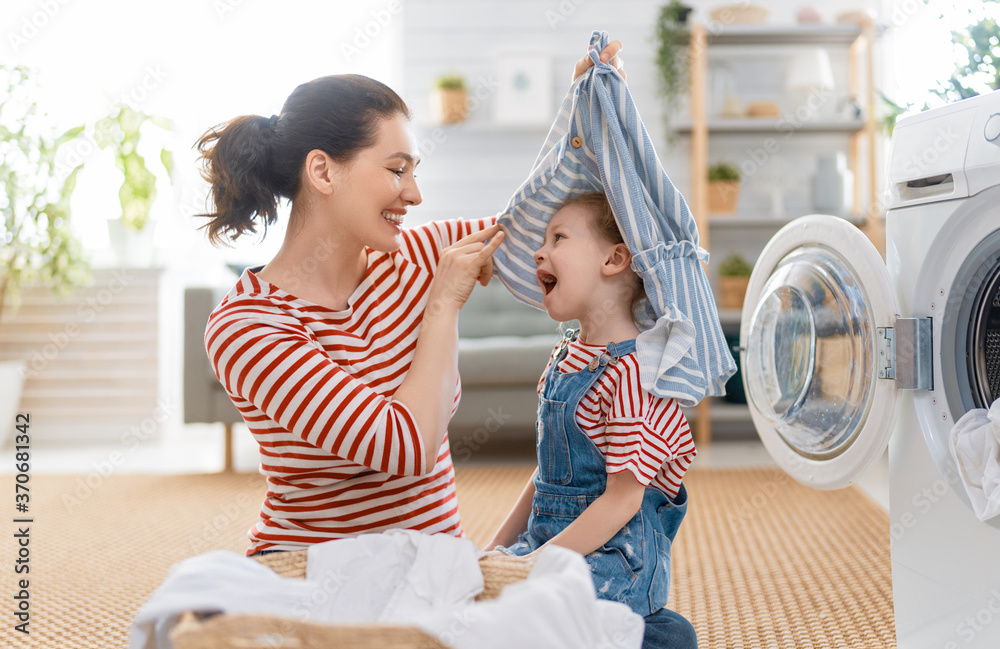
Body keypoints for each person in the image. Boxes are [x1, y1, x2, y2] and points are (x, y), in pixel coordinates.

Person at [195, 42, 624, 556]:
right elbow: (408, 446)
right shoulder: (247, 326)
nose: (414, 194)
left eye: (414, 171)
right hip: (315, 578)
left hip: (436, 570)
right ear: (324, 172)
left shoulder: (422, 252)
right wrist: (442, 303)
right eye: (397, 170)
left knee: (659, 635)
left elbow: (566, 223)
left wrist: (594, 108)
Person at [487, 192, 699, 649]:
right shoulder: (567, 356)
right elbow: (546, 475)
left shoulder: (634, 374)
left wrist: (536, 568)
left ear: (614, 259)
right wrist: (497, 555)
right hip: (550, 544)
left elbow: (622, 501)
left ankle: (655, 635)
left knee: (532, 618)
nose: (539, 252)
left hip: (611, 562)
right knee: (477, 598)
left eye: (558, 237)